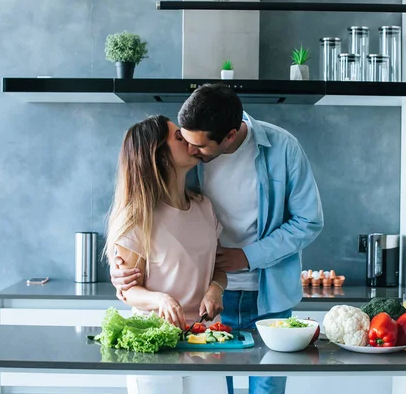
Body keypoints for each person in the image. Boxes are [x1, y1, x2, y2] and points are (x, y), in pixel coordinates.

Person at [110, 83, 324, 394]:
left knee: (267, 390)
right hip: (203, 307)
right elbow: (153, 204)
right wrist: (125, 276)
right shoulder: (188, 155)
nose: (189, 148)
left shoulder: (283, 148)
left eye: (198, 146)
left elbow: (310, 220)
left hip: (268, 294)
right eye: (182, 138)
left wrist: (248, 256)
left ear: (230, 136)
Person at [104, 114, 228, 394]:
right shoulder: (138, 219)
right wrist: (160, 299)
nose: (189, 139)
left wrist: (215, 288)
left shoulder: (204, 207)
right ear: (158, 155)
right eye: (178, 136)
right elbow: (128, 291)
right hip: (154, 343)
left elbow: (218, 266)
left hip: (203, 339)